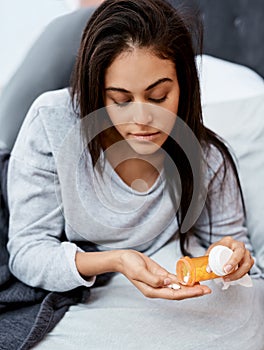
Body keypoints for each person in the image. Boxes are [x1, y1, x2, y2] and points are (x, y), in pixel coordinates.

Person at [6, 0, 263, 349]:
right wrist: (118, 260)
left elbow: (233, 246)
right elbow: (27, 252)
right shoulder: (52, 123)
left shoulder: (207, 157)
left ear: (184, 85)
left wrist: (232, 259)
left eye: (158, 97)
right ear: (97, 91)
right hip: (84, 268)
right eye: (121, 100)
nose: (142, 120)